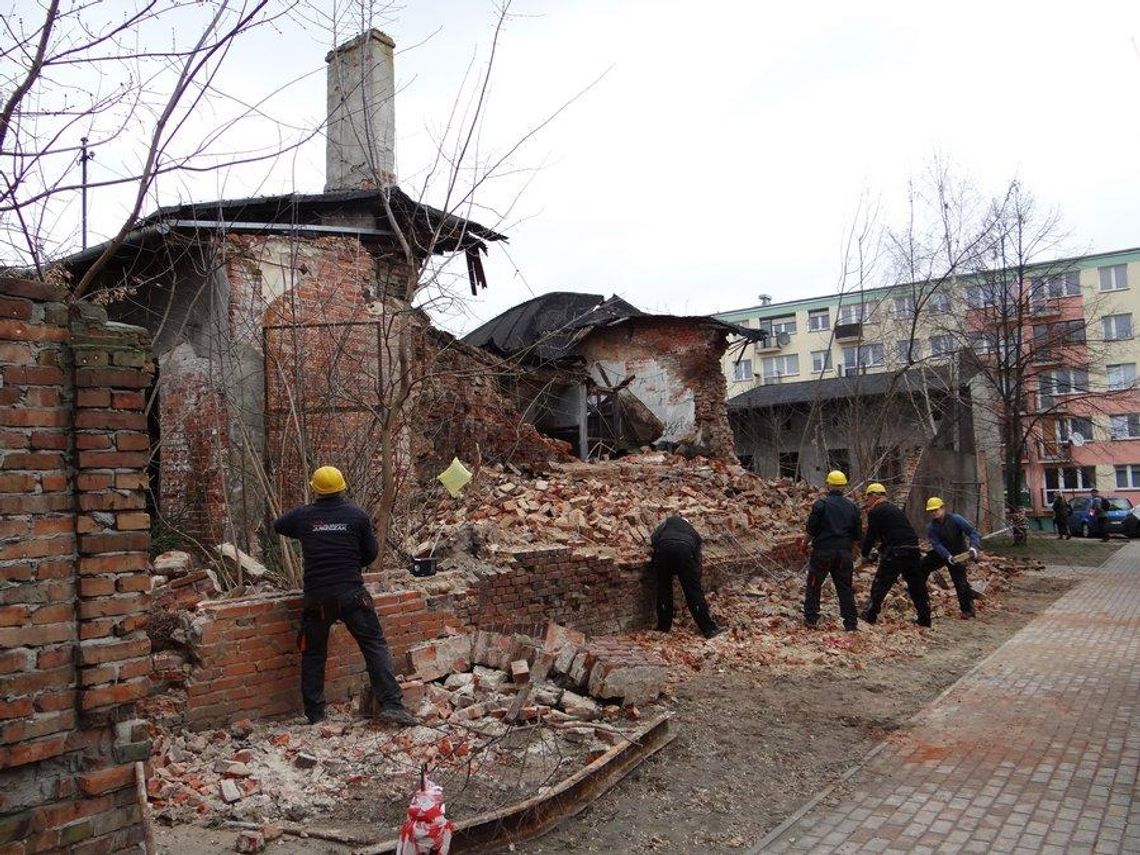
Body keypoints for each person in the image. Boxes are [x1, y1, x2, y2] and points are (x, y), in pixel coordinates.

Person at [273, 465, 417, 726]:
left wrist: (312, 529)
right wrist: (352, 559)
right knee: (374, 646)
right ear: (343, 487)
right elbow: (371, 553)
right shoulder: (356, 516)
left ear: (314, 489)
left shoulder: (305, 516)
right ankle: (392, 705)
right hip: (351, 594)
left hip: (317, 598)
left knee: (313, 654)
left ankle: (315, 714)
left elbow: (279, 525)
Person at [859, 483, 931, 627]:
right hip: (912, 549)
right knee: (916, 584)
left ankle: (870, 615)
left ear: (873, 496)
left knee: (881, 583)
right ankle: (925, 618)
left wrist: (865, 553)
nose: (866, 502)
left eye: (867, 498)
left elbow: (871, 535)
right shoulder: (894, 510)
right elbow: (896, 532)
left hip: (896, 551)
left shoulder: (875, 511)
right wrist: (882, 548)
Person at [804, 470, 862, 631]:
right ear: (844, 486)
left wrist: (803, 545)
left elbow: (811, 530)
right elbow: (857, 536)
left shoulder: (821, 505)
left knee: (814, 585)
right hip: (843, 553)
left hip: (823, 552)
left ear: (828, 485)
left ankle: (811, 619)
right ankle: (850, 623)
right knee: (845, 588)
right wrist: (852, 552)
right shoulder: (853, 507)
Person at [650, 516, 724, 639]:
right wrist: (695, 579)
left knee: (664, 590)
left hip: (663, 550)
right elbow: (697, 560)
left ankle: (663, 627)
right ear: (688, 523)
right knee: (693, 592)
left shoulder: (667, 522)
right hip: (684, 552)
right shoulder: (693, 532)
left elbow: (653, 538)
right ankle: (709, 629)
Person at [920, 497, 981, 619]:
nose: (934, 513)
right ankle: (919, 597)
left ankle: (967, 610)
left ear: (942, 508)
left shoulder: (956, 519)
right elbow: (936, 544)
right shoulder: (931, 527)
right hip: (942, 554)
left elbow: (973, 532)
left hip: (959, 554)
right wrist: (947, 556)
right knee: (921, 567)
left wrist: (974, 548)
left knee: (960, 582)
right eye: (931, 511)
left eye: (936, 510)